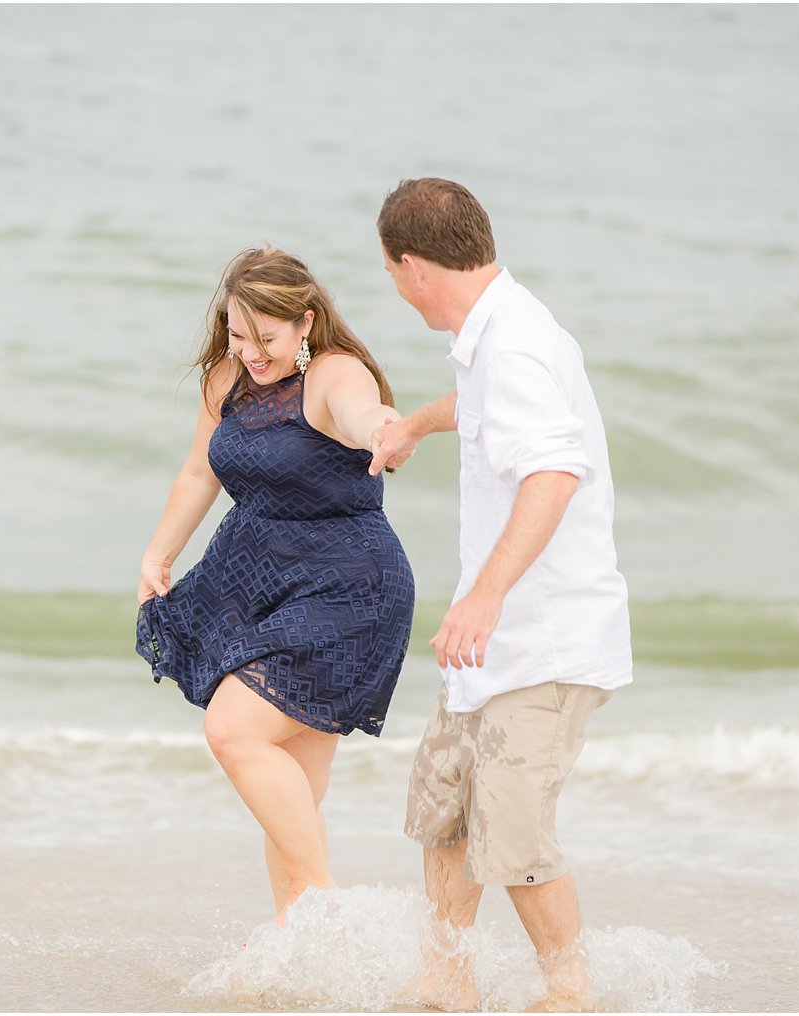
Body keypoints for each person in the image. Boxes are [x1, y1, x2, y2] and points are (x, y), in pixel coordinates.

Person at [368, 179, 632, 1012]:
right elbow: (486, 412)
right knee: (443, 804)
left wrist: (481, 598)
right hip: (493, 645)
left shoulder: (514, 342)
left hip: (540, 641)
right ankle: (447, 974)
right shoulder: (494, 337)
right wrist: (413, 423)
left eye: (391, 274)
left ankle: (570, 991)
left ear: (411, 268)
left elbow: (553, 473)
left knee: (511, 831)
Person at [135, 246, 416, 923]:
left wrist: (382, 427)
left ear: (306, 325)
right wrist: (157, 555)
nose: (251, 351)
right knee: (292, 788)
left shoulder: (333, 374)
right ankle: (301, 940)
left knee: (235, 731)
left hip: (349, 587)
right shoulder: (225, 381)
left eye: (267, 338)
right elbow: (200, 474)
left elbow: (359, 411)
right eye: (238, 333)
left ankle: (326, 906)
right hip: (261, 582)